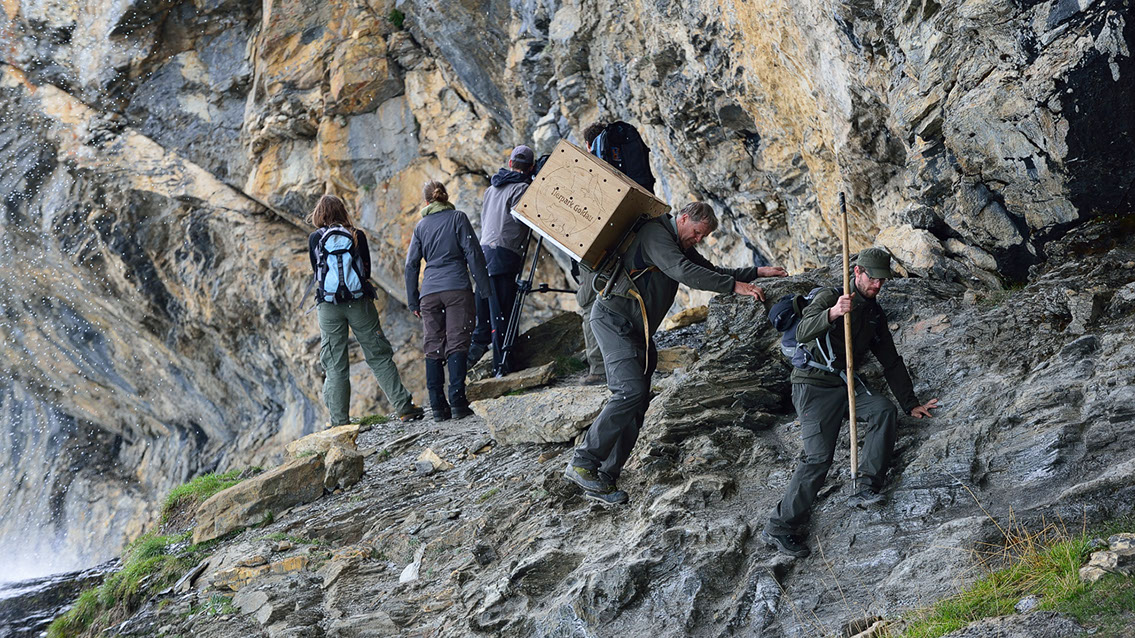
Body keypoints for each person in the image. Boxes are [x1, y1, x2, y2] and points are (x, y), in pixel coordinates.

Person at [564, 202, 789, 504]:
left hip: (637, 330)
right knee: (628, 391)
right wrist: (734, 287)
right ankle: (583, 463)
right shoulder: (655, 234)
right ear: (683, 219)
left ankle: (605, 475)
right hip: (612, 321)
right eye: (697, 232)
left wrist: (755, 272)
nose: (698, 239)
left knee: (639, 399)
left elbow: (707, 270)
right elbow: (683, 272)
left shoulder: (677, 242)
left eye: (703, 236)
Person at [761, 247, 939, 558]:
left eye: (882, 280)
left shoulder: (874, 314)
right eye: (873, 278)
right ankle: (779, 527)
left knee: (883, 411)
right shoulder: (831, 296)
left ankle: (866, 486)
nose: (878, 285)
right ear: (856, 272)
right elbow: (803, 331)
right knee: (818, 459)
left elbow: (891, 361)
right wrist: (833, 313)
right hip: (813, 386)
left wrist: (910, 403)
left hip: (845, 385)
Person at [306, 194, 424, 425]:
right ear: (343, 212)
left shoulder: (314, 238)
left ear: (319, 214)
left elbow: (316, 272)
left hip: (329, 307)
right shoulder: (356, 235)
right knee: (378, 355)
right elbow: (366, 271)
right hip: (359, 303)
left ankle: (340, 422)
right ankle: (404, 407)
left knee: (335, 364)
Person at [405, 180, 491, 421]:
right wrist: (485, 288)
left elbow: (411, 265)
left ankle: (437, 407)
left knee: (432, 346)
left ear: (426, 201)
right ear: (445, 197)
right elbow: (473, 253)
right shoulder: (457, 218)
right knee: (457, 343)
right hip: (457, 289)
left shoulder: (421, 226)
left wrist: (413, 301)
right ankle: (457, 402)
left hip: (429, 292)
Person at [469, 145, 536, 375]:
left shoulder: (491, 189)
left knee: (486, 316)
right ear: (531, 167)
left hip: (484, 254)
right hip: (503, 255)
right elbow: (525, 220)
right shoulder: (521, 189)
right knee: (503, 315)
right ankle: (502, 367)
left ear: (509, 163)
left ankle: (473, 360)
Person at [576, 121, 611, 385]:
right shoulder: (619, 163)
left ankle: (598, 368)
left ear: (588, 145)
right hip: (625, 240)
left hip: (592, 247)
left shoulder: (587, 168)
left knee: (589, 303)